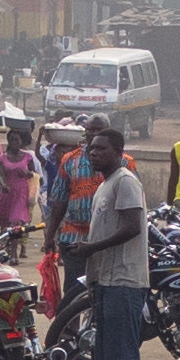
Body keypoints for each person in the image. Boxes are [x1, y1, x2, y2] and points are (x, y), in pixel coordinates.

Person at [70, 128, 146, 360]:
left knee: (121, 352)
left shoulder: (126, 182)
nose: (93, 153)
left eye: (101, 148)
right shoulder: (105, 186)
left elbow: (132, 228)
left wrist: (91, 248)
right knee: (103, 352)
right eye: (91, 148)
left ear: (118, 151)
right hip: (104, 279)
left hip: (124, 280)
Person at [44, 114, 133, 302]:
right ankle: (70, 330)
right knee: (74, 293)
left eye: (98, 130)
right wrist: (50, 234)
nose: (93, 134)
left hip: (108, 239)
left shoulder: (125, 163)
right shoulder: (70, 160)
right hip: (74, 236)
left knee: (104, 292)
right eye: (90, 130)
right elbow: (59, 200)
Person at [0, 125, 38, 254]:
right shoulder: (3, 158)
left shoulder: (28, 157)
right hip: (7, 194)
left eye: (17, 140)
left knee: (16, 224)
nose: (14, 143)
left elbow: (34, 174)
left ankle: (14, 254)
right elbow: (0, 175)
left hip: (21, 194)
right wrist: (3, 184)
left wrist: (27, 173)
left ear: (21, 141)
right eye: (12, 140)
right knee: (5, 225)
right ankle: (5, 250)